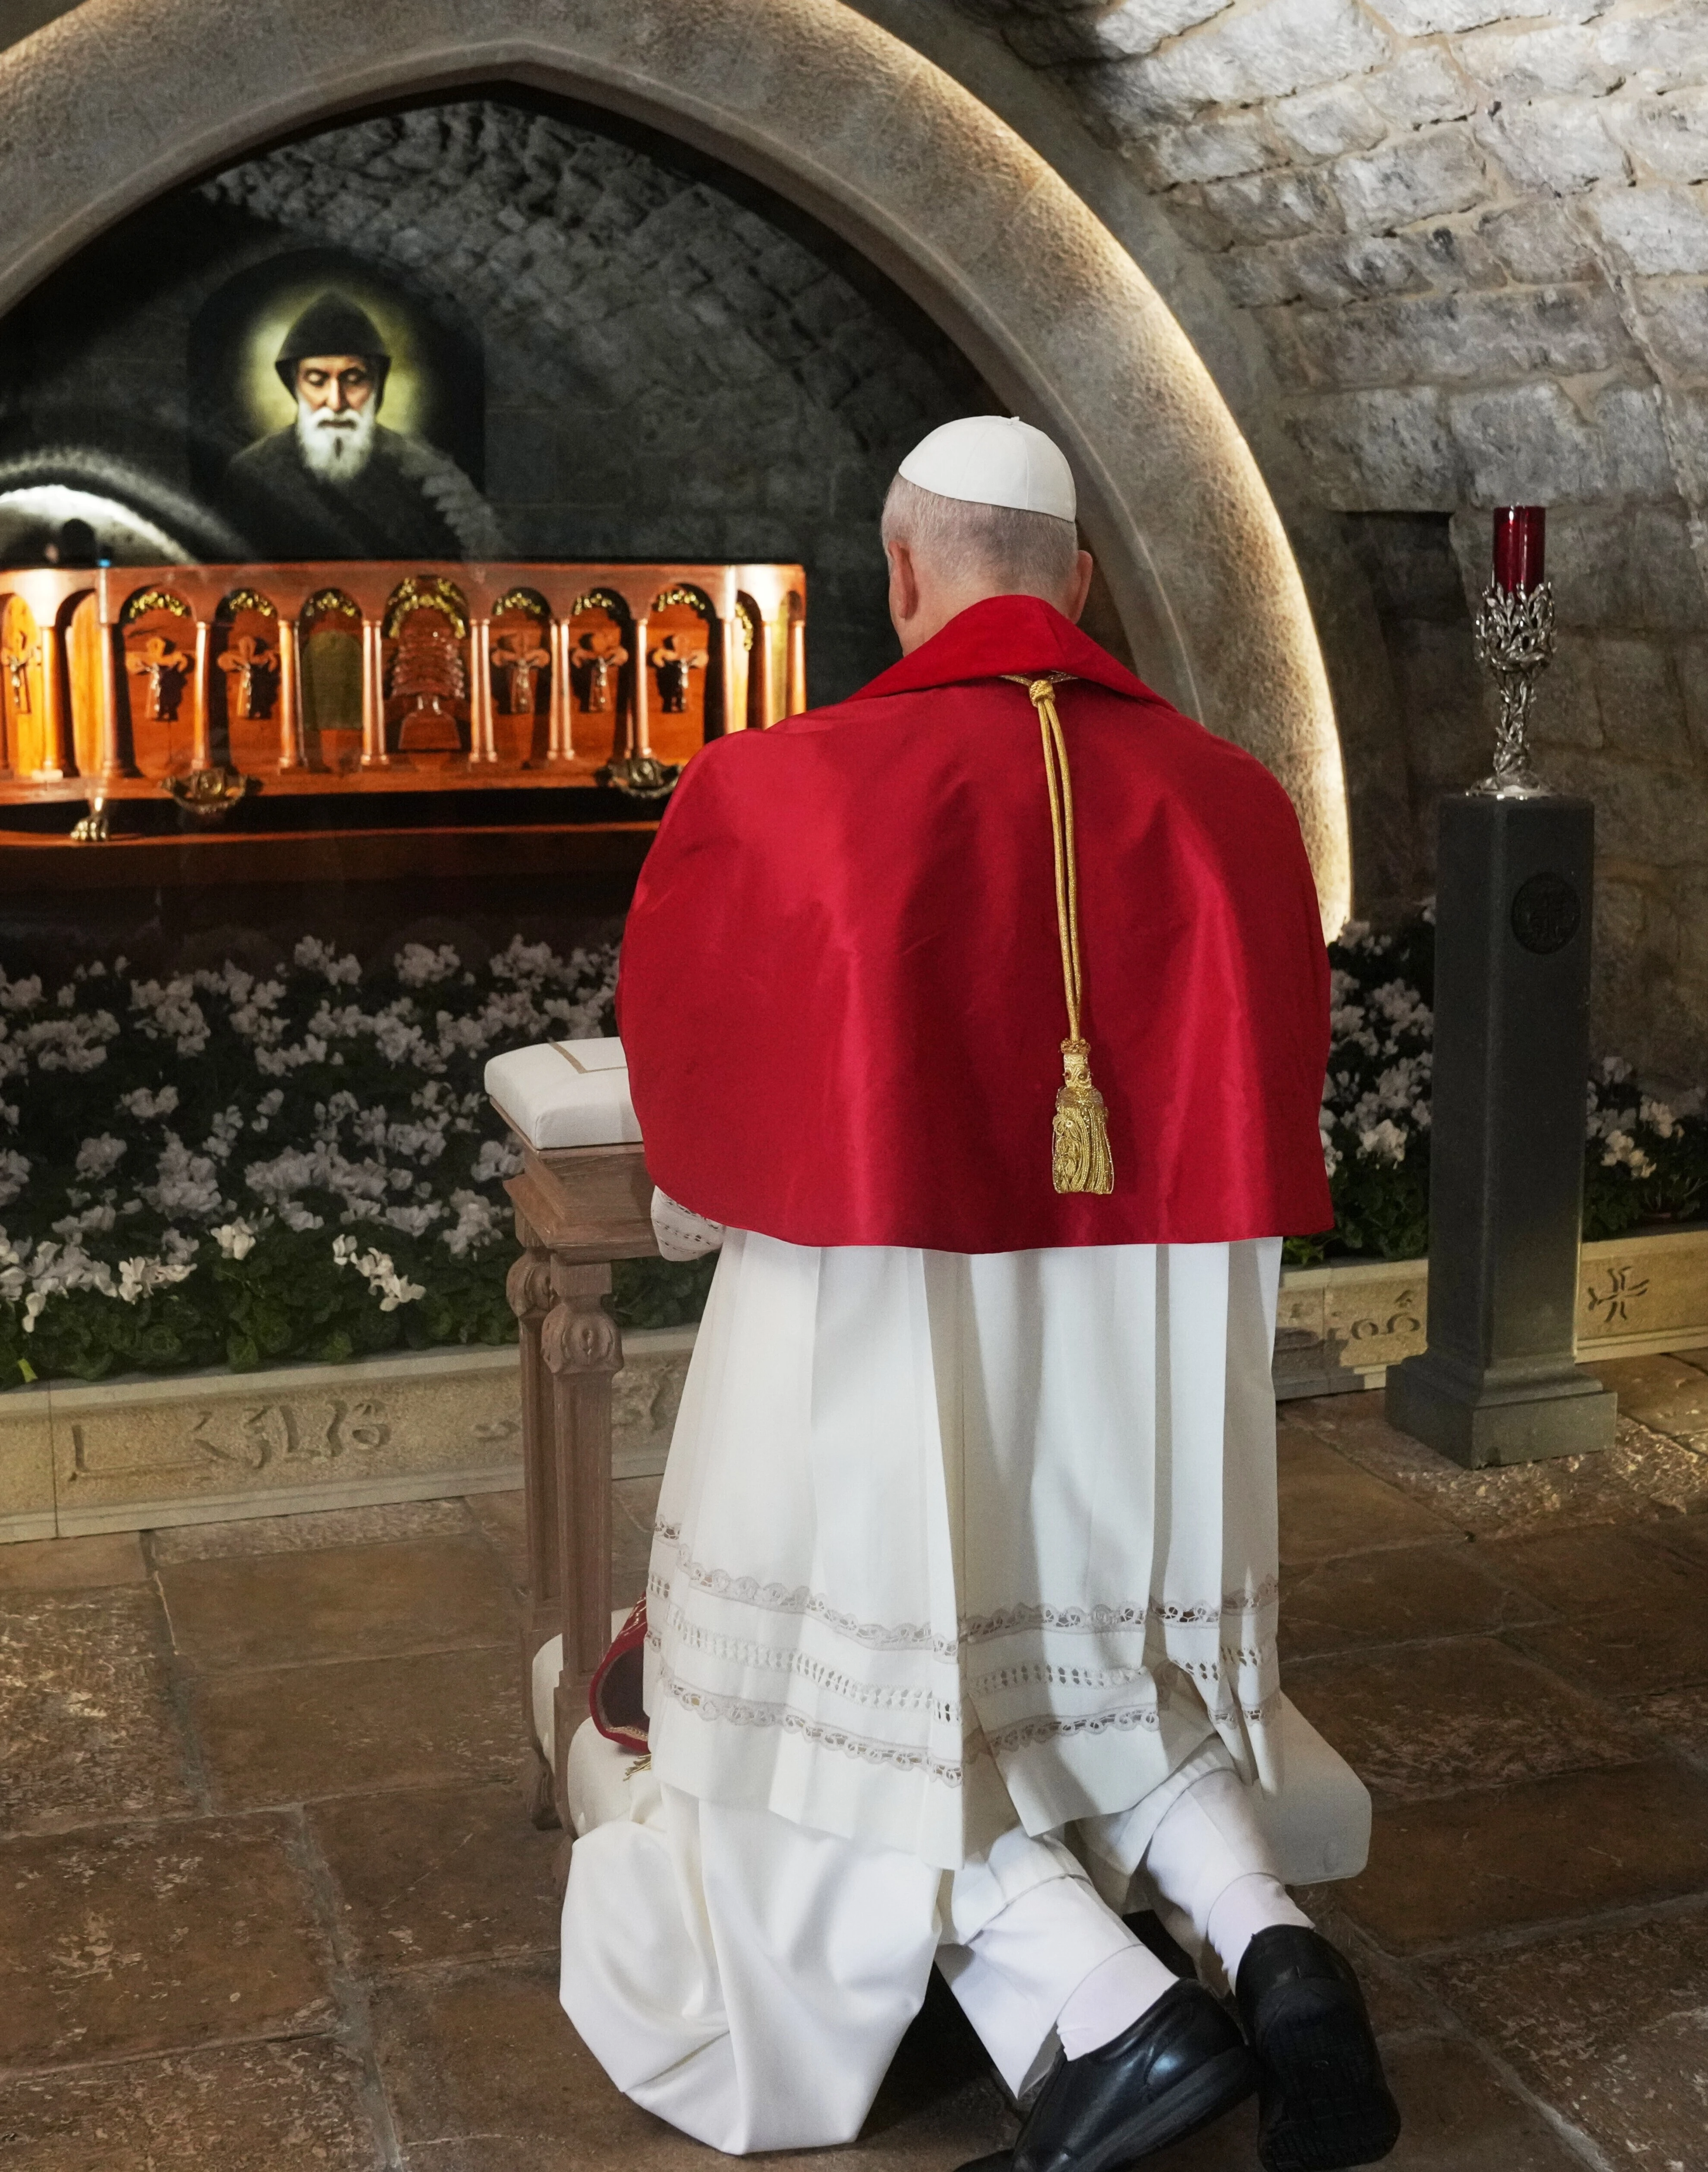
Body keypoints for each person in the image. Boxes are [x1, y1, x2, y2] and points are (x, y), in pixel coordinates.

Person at [570, 416, 1399, 2171]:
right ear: (1082, 584)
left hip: (880, 1350)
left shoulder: (776, 793)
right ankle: (1270, 1938)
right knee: (1090, 1670)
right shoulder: (1240, 805)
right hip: (1136, 1382)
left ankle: (1104, 2006)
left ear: (899, 577)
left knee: (823, 1687)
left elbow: (690, 1093)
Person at [218, 294, 499, 560]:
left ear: (377, 384)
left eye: (353, 379)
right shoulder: (251, 472)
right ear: (295, 385)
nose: (336, 402)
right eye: (317, 380)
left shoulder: (423, 472)